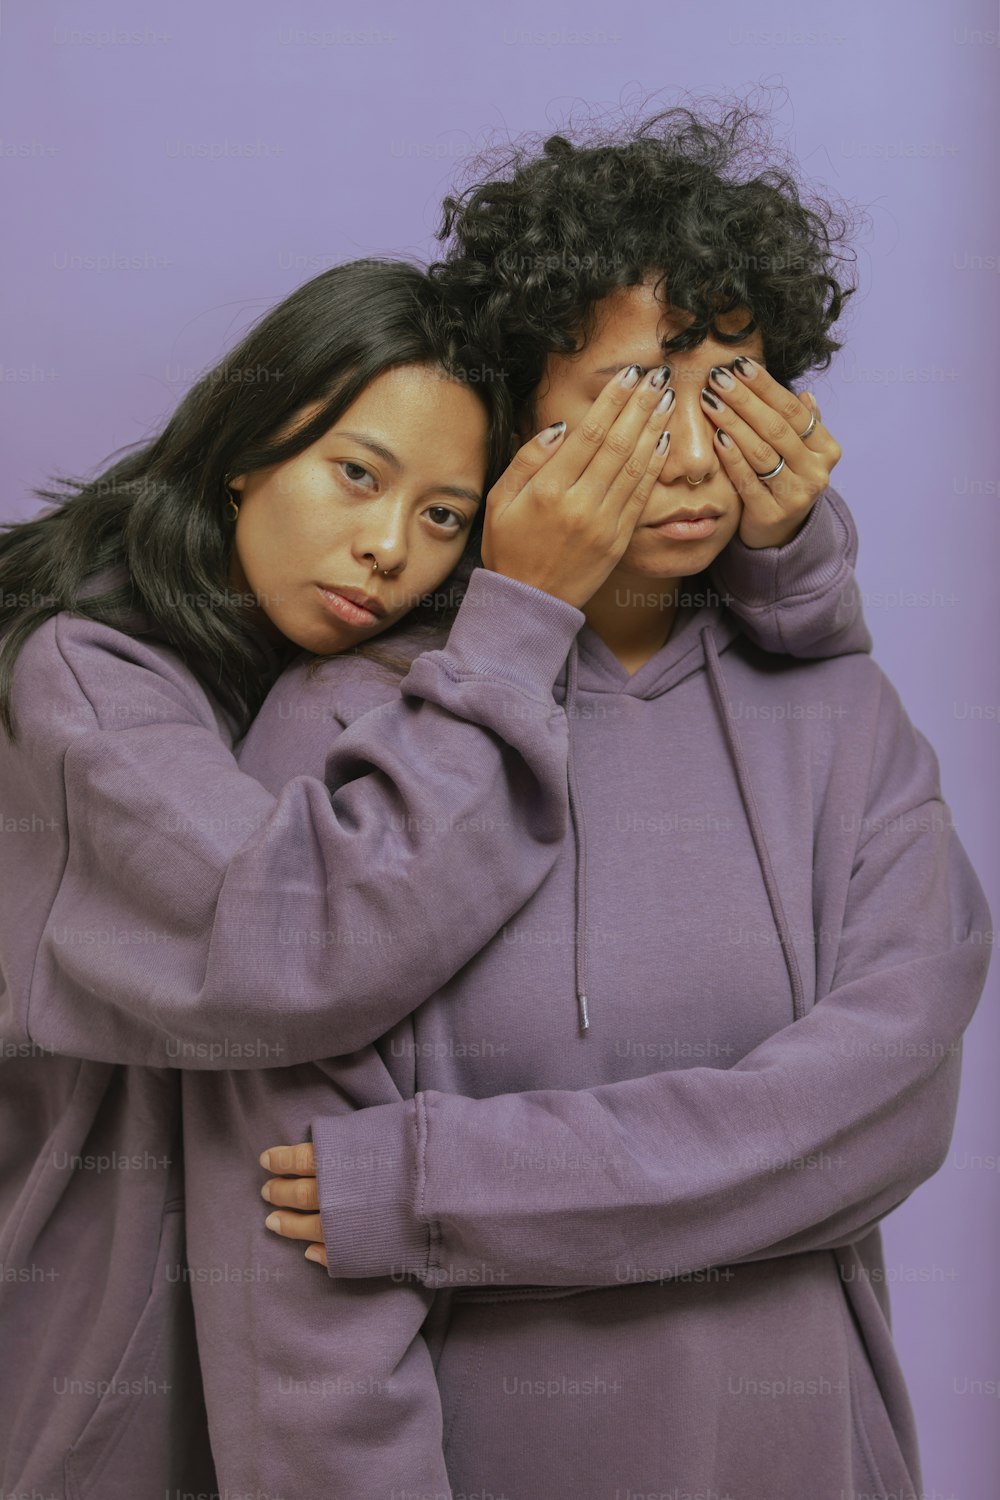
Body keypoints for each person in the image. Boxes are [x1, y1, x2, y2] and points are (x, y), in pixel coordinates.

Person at [247, 107, 991, 1499]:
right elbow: (292, 1257)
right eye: (642, 394)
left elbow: (871, 1126)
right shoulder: (346, 724)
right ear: (522, 401)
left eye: (740, 383)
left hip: (808, 1452)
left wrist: (432, 1187)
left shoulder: (846, 716)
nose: (701, 457)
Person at [0, 256, 706, 1497]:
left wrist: (795, 540)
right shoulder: (81, 677)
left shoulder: (332, 676)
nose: (385, 548)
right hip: (96, 1392)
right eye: (355, 475)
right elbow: (293, 946)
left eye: (443, 516)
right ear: (245, 452)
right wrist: (517, 616)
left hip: (290, 1374)